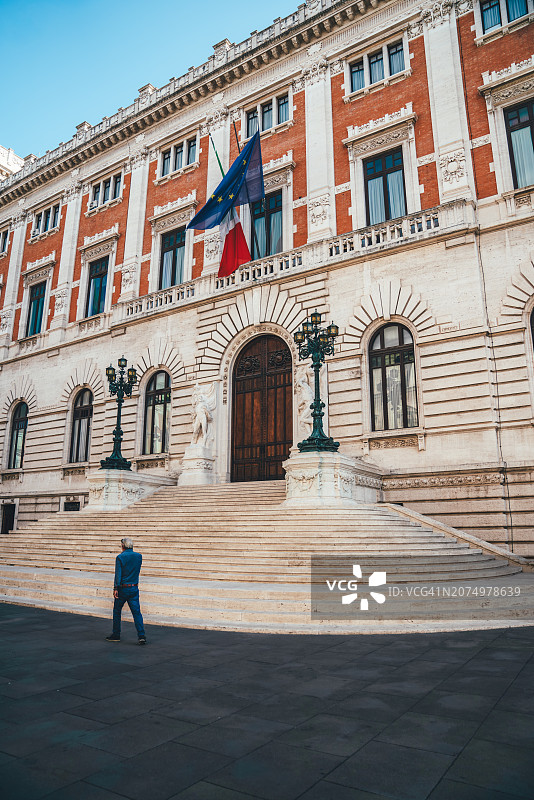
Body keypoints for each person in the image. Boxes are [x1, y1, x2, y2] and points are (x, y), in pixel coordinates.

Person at [106, 537, 146, 645]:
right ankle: (141, 635)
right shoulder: (139, 556)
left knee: (117, 611)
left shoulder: (120, 557)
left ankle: (116, 634)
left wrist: (116, 588)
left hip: (123, 588)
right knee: (137, 612)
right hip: (134, 587)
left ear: (123, 546)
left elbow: (118, 574)